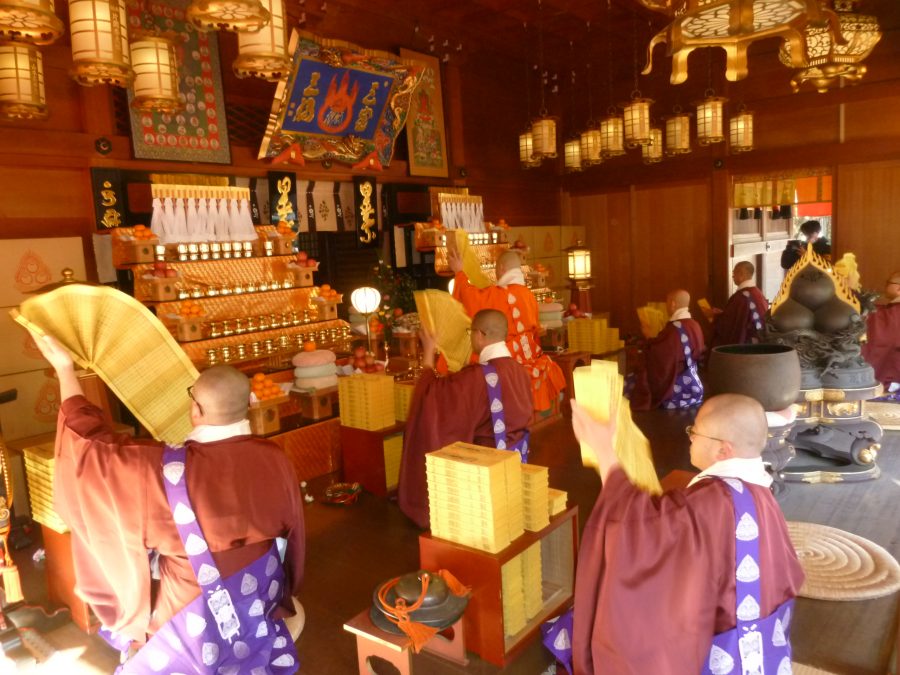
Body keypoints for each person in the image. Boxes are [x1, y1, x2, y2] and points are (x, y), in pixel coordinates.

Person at [29, 332, 304, 673]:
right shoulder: (275, 457)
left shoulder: (163, 469)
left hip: (191, 613)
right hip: (260, 597)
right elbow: (291, 535)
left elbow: (88, 446)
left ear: (194, 410)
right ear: (250, 402)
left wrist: (65, 370)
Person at [570, 393, 804, 674]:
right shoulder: (760, 492)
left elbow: (639, 531)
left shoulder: (710, 502)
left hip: (722, 649)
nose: (690, 437)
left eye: (695, 432)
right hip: (763, 647)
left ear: (723, 451)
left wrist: (604, 452)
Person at [398, 309, 532, 529]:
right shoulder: (519, 370)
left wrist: (429, 354)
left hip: (488, 470)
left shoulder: (478, 376)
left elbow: (434, 396)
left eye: (471, 333)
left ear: (479, 334)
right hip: (518, 460)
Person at [449, 247, 566, 413]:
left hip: (507, 361)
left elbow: (471, 300)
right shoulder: (528, 294)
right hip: (530, 357)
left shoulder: (500, 294)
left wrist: (459, 272)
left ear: (502, 268)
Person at [629, 289, 705, 411]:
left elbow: (660, 357)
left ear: (673, 304)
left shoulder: (675, 329)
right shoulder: (694, 324)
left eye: (667, 302)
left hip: (675, 383)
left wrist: (648, 337)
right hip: (691, 379)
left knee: (632, 383)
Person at [709, 261, 769, 348]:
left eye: (734, 273)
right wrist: (722, 313)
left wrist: (715, 316)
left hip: (747, 345)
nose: (732, 276)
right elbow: (741, 317)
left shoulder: (741, 297)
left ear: (741, 274)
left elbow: (730, 326)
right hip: (760, 340)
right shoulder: (757, 293)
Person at [862, 271, 900, 399]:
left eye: (888, 283)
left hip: (891, 380)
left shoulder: (892, 314)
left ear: (898, 289)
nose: (885, 286)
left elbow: (887, 339)